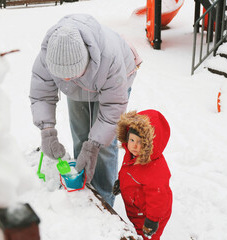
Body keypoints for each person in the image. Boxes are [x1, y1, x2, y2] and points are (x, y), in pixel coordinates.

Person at [29, 14, 141, 207]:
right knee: (82, 136)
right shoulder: (49, 54)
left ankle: (105, 199)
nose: (65, 80)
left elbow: (112, 110)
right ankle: (85, 183)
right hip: (82, 86)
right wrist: (47, 130)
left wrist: (95, 144)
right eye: (61, 76)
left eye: (71, 75)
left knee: (102, 146)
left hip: (114, 81)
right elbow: (41, 94)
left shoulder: (110, 57)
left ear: (86, 62)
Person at [112, 110, 172, 240]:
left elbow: (158, 198)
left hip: (150, 215)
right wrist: (121, 183)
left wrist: (152, 220)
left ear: (150, 144)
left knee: (147, 237)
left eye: (140, 142)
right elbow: (127, 172)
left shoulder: (155, 170)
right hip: (137, 210)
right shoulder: (131, 155)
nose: (134, 145)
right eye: (132, 139)